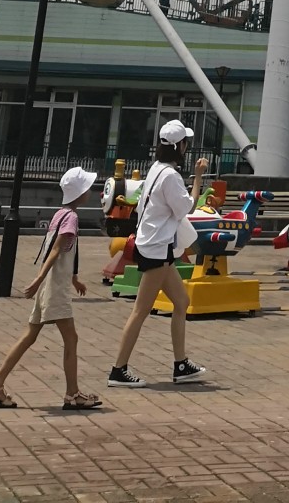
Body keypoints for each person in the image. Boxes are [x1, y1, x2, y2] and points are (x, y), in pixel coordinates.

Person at [0, 166, 102, 412]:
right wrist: (38, 279)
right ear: (81, 193)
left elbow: (62, 252)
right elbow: (56, 251)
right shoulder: (72, 217)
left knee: (30, 336)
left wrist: (73, 278)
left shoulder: (60, 214)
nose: (90, 191)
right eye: (88, 188)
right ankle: (72, 394)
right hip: (53, 287)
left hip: (50, 285)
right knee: (71, 339)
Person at [107, 120, 209, 388]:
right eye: (185, 142)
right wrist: (198, 178)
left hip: (151, 244)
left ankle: (181, 365)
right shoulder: (172, 176)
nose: (187, 146)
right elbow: (187, 208)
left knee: (182, 301)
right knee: (141, 310)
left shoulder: (155, 169)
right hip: (157, 248)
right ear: (180, 147)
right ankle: (118, 370)